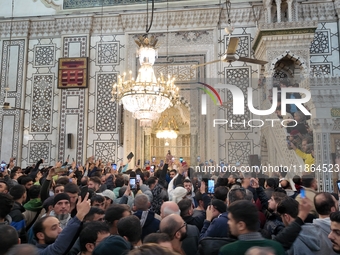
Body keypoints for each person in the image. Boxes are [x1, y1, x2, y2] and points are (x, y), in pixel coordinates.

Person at [219, 200, 285, 255]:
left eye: (230, 220)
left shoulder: (228, 251)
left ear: (241, 225)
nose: (228, 222)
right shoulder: (277, 247)